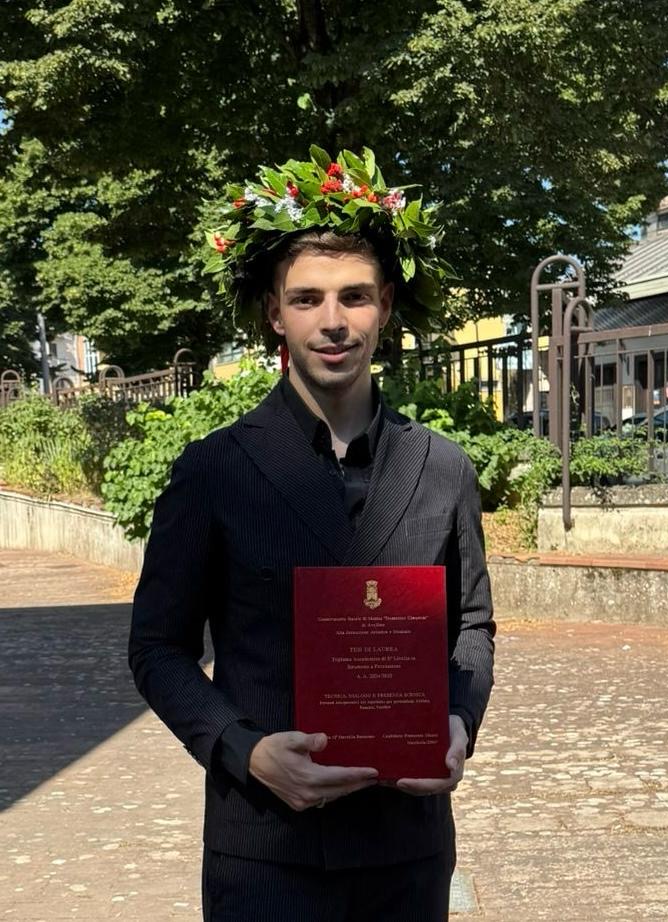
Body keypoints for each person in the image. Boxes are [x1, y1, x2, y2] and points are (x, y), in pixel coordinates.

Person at [129, 147, 495, 922]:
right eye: (307, 299)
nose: (333, 321)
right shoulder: (214, 471)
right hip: (265, 848)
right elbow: (157, 647)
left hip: (406, 848)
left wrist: (459, 721)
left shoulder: (443, 469)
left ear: (385, 305)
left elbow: (471, 624)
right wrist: (242, 747)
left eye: (354, 296)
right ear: (275, 313)